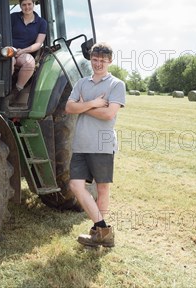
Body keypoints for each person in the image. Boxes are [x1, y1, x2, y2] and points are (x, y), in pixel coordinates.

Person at [65, 42, 126, 247]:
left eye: (102, 60)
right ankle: (103, 230)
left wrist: (82, 107)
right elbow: (68, 107)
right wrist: (93, 104)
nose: (98, 63)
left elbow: (108, 113)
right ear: (90, 60)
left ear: (109, 61)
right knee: (76, 185)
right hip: (81, 143)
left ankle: (96, 231)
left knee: (102, 190)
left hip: (102, 144)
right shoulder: (81, 83)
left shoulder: (116, 84)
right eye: (95, 59)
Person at [8, 0, 47, 105]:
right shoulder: (13, 18)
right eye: (24, 5)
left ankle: (16, 91)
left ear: (33, 4)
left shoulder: (41, 23)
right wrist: (12, 50)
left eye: (29, 4)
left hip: (25, 52)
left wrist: (23, 51)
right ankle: (4, 88)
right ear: (20, 6)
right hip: (10, 50)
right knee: (9, 60)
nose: (27, 7)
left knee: (30, 62)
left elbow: (38, 44)